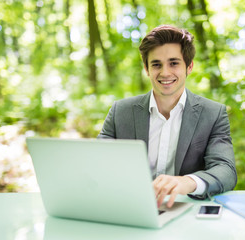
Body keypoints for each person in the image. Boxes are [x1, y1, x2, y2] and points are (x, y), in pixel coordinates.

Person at [98, 25, 237, 208]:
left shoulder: (213, 114)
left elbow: (225, 170)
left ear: (189, 67)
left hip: (184, 210)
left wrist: (185, 183)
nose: (164, 72)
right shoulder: (120, 111)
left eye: (174, 63)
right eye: (156, 64)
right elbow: (98, 162)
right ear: (147, 69)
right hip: (129, 208)